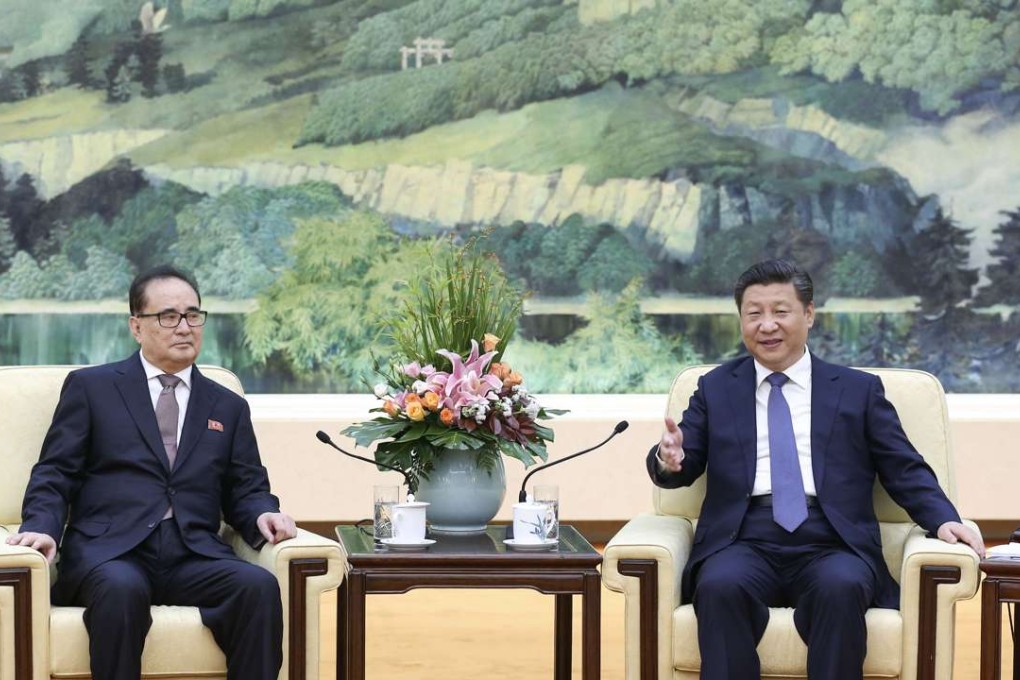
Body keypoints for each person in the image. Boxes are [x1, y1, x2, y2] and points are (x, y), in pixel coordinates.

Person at [648, 259, 984, 680]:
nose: (766, 325)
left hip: (832, 541)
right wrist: (669, 458)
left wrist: (944, 519)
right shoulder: (716, 388)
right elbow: (682, 457)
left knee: (841, 588)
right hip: (744, 538)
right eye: (754, 314)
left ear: (808, 315)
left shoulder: (858, 391)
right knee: (719, 586)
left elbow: (904, 468)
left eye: (780, 311)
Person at [5, 265, 297, 680]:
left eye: (193, 315)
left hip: (192, 553)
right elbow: (55, 471)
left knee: (257, 587)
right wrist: (43, 526)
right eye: (168, 316)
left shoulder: (227, 405)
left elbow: (246, 486)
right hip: (113, 552)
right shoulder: (93, 388)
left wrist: (261, 513)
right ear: (136, 326)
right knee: (122, 590)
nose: (184, 327)